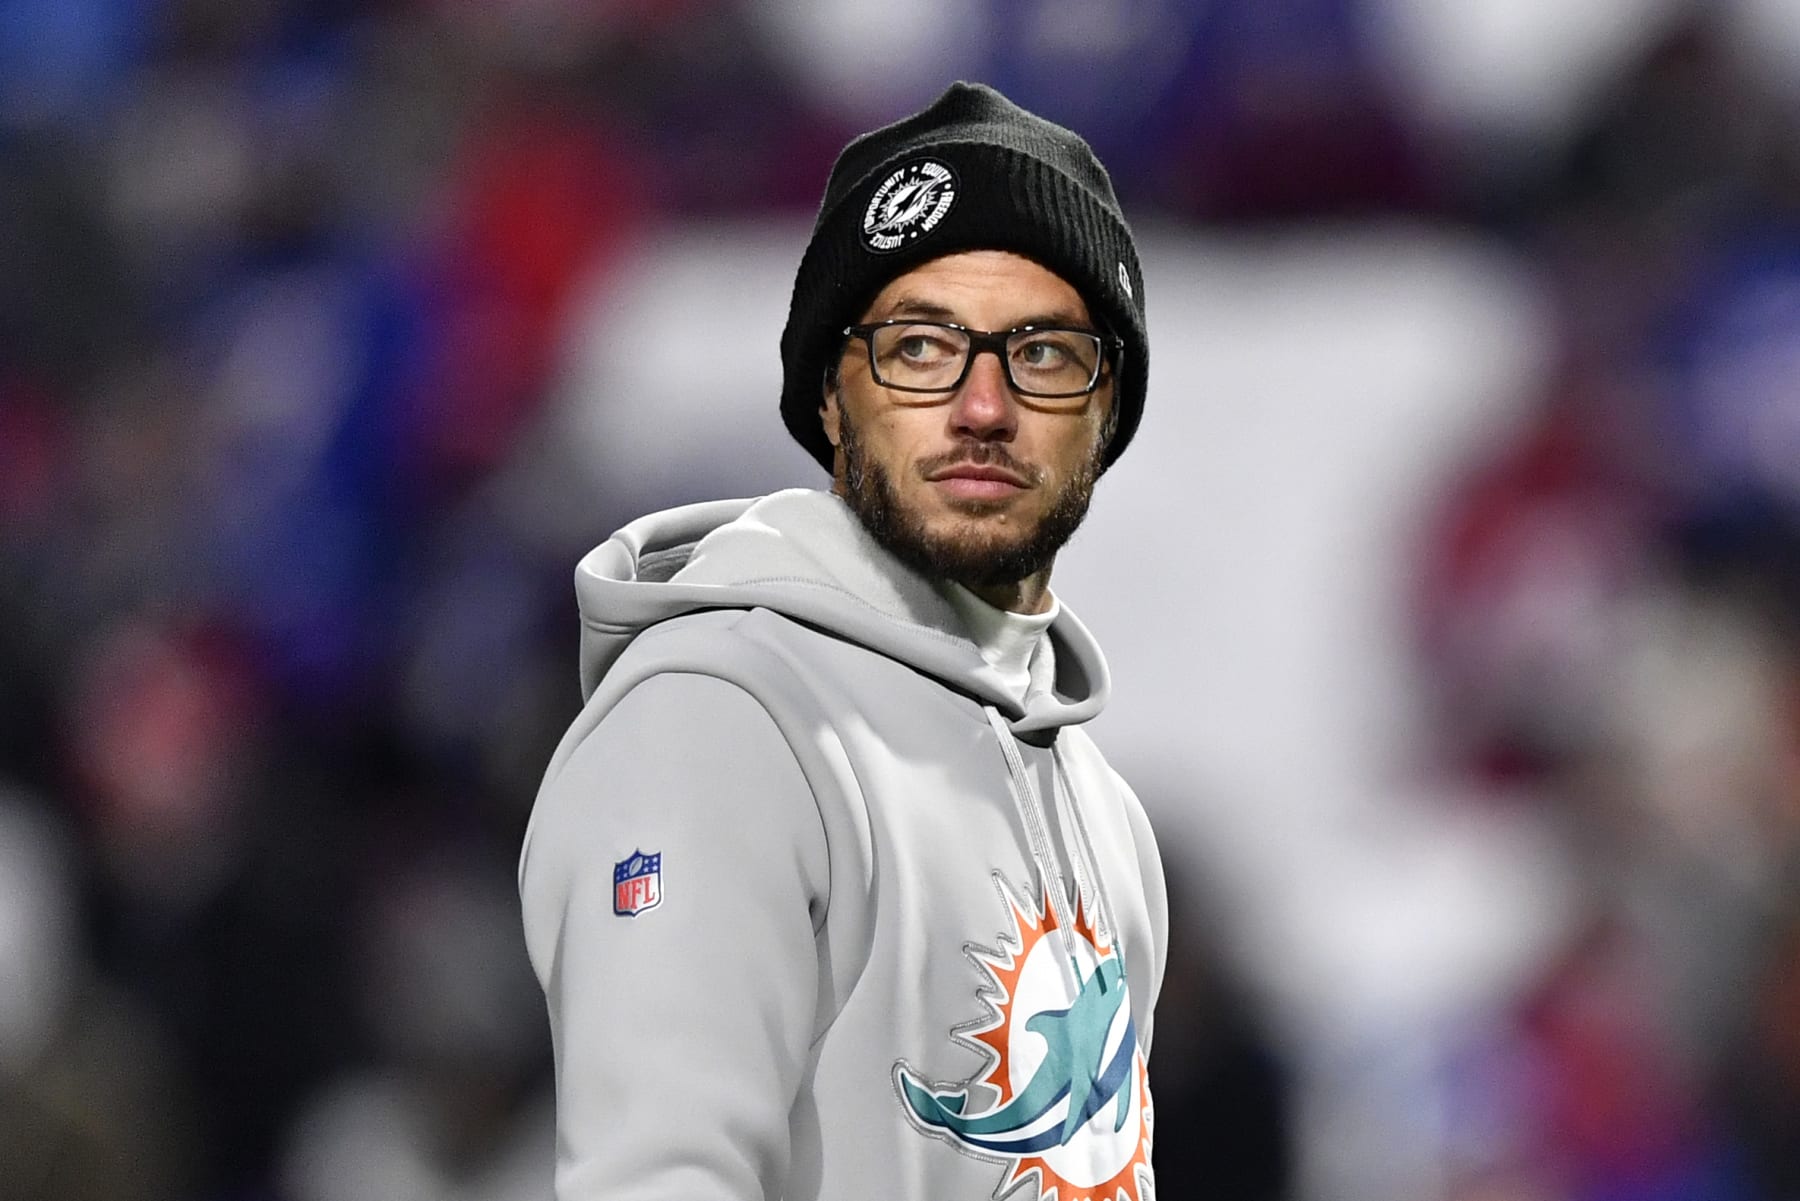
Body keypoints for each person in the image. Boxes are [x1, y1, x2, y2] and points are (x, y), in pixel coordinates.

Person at [518, 80, 1166, 1201]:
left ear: (1107, 413)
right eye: (920, 348)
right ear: (830, 394)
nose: (981, 405)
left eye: (1045, 353)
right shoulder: (719, 719)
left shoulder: (1103, 809)